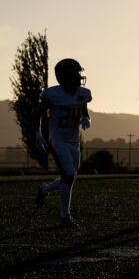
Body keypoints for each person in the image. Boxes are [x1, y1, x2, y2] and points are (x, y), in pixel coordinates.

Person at [35, 59, 92, 228]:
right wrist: (37, 133)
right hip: (58, 139)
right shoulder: (52, 94)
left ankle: (44, 190)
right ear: (64, 77)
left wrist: (86, 118)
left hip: (73, 141)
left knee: (70, 176)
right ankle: (64, 217)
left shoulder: (83, 93)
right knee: (68, 175)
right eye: (75, 73)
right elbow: (37, 113)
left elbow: (84, 110)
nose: (78, 77)